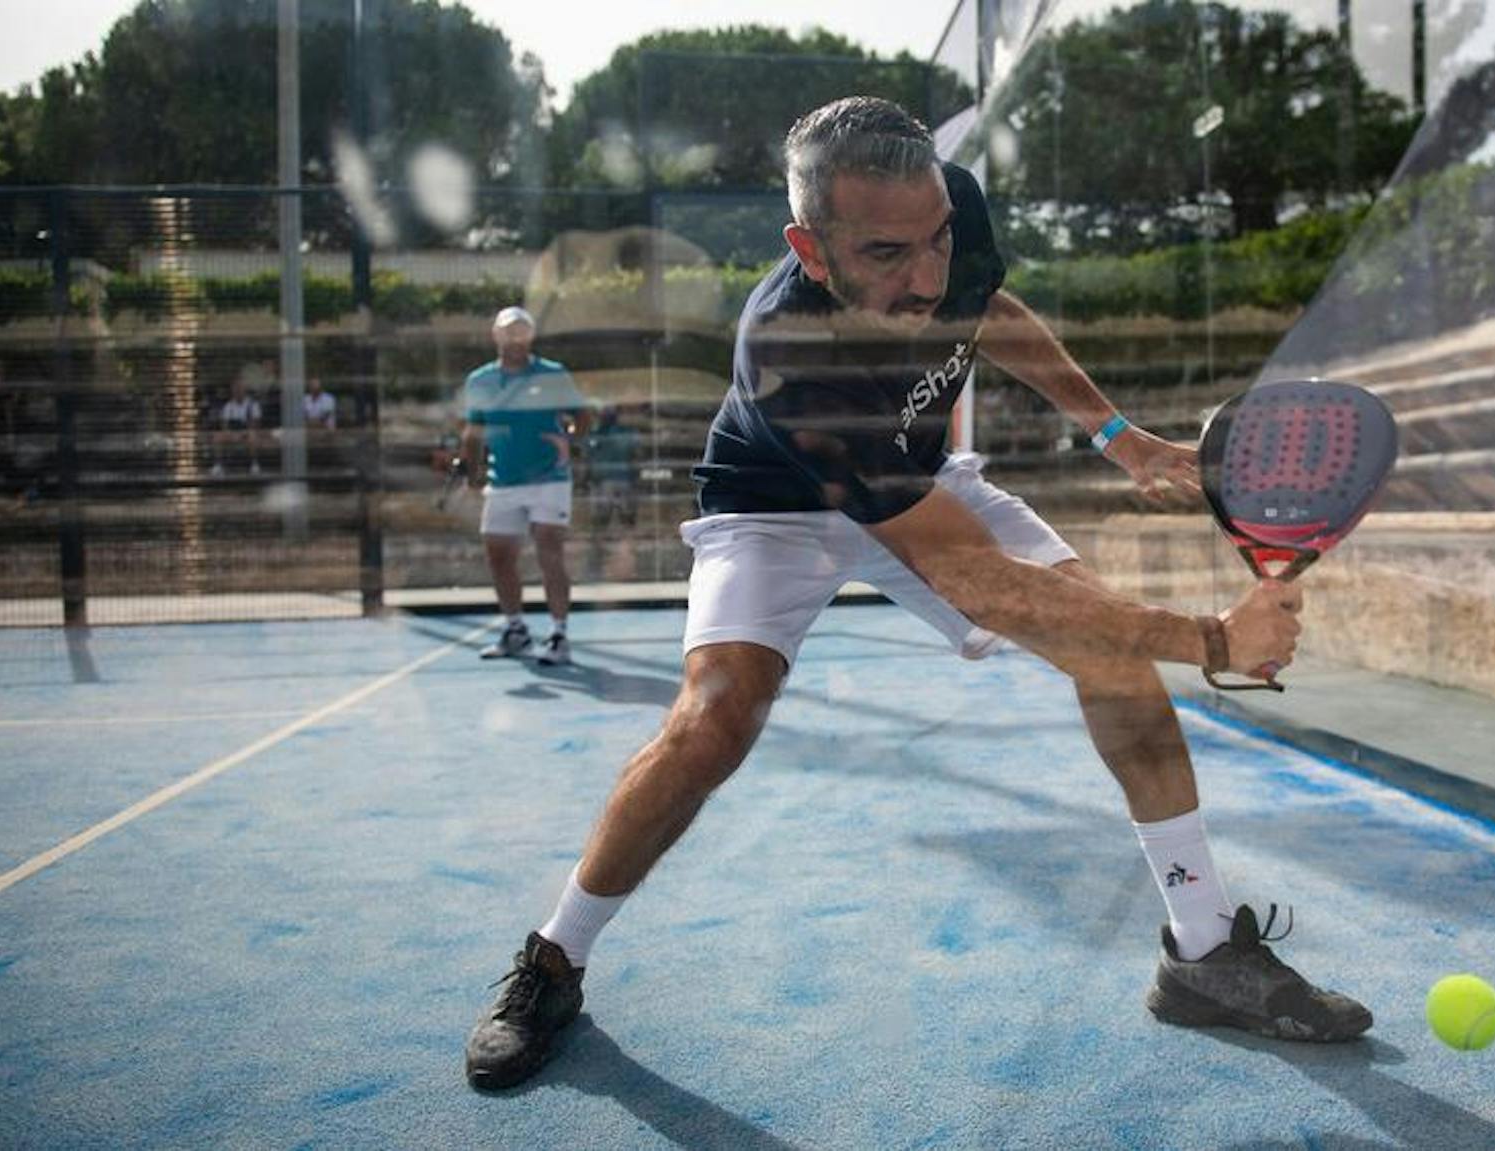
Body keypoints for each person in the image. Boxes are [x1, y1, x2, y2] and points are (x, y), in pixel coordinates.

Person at [462, 97, 1370, 1092]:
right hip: (773, 505)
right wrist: (1207, 637)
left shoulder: (949, 213)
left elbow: (989, 310)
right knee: (714, 716)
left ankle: (1202, 952)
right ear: (809, 247)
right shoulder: (787, 361)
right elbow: (981, 583)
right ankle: (553, 958)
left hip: (919, 477)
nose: (926, 274)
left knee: (1108, 654)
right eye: (888, 253)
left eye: (936, 238)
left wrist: (1116, 434)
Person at [462, 305, 593, 666]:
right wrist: (472, 474)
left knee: (549, 549)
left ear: (530, 337)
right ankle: (516, 630)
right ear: (496, 335)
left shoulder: (553, 374)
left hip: (549, 479)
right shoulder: (480, 381)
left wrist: (570, 439)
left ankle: (559, 634)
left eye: (522, 331)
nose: (515, 338)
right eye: (508, 331)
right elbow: (473, 432)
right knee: (498, 556)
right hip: (502, 481)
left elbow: (582, 416)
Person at [584, 405, 640, 529]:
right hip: (624, 479)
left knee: (601, 520)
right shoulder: (628, 433)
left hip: (604, 481)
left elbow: (588, 454)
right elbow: (637, 454)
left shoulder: (595, 435)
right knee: (627, 520)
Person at [212, 377, 262, 476]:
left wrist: (243, 434)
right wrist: (231, 434)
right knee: (218, 437)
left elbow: (256, 424)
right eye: (235, 388)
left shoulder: (252, 404)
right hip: (232, 433)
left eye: (240, 388)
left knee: (252, 436)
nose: (238, 390)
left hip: (247, 433)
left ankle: (254, 464)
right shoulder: (228, 406)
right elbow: (225, 425)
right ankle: (218, 465)